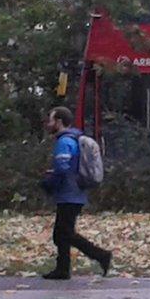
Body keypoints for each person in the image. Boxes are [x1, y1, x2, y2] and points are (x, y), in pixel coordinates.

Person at [40, 106, 112, 280]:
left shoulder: (64, 142)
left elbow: (63, 168)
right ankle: (62, 269)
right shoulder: (73, 138)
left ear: (58, 122)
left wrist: (49, 183)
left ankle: (101, 255)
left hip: (69, 194)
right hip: (75, 193)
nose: (48, 124)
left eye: (50, 120)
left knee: (65, 233)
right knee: (62, 233)